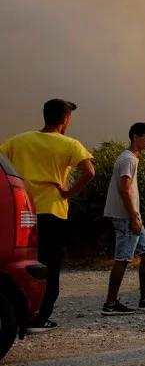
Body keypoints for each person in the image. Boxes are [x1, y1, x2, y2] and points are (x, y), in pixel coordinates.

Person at [0, 99, 96, 331]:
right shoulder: (70, 144)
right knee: (50, 265)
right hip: (52, 210)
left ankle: (15, 310)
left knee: (21, 261)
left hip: (21, 211)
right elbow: (89, 172)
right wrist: (68, 193)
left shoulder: (17, 141)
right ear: (65, 120)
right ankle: (40, 317)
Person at [101, 123, 145, 314]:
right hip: (127, 216)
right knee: (123, 258)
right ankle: (110, 304)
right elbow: (124, 189)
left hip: (133, 215)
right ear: (135, 137)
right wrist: (133, 216)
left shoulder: (131, 158)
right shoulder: (128, 159)